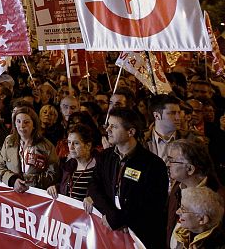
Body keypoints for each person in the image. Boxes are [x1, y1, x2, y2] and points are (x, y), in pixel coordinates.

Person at [87, 107, 169, 249]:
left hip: (141, 236)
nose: (108, 130)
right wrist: (110, 214)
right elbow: (94, 186)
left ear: (131, 132)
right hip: (110, 232)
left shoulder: (153, 164)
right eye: (108, 125)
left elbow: (153, 204)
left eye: (114, 126)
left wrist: (122, 219)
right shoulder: (105, 156)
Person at [165, 139, 225, 247]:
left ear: (190, 169)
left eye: (172, 161)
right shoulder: (177, 187)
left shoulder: (217, 200)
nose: (168, 164)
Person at [0, 106, 59, 192]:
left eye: (26, 122)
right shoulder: (8, 141)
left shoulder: (47, 146)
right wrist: (13, 180)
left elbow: (53, 174)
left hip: (35, 193)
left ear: (34, 125)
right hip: (12, 192)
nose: (22, 126)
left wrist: (29, 181)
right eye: (18, 121)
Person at [47, 124, 97, 202]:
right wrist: (55, 188)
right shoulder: (68, 166)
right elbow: (65, 188)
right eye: (69, 142)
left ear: (88, 145)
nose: (71, 147)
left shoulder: (100, 166)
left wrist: (95, 199)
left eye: (76, 143)